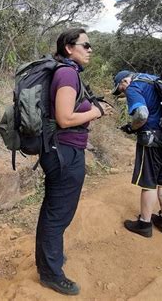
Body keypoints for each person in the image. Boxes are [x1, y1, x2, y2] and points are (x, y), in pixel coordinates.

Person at [36, 28, 109, 296]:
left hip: (60, 150)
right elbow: (65, 119)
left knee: (53, 211)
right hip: (64, 152)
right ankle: (51, 274)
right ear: (69, 48)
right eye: (85, 45)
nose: (90, 50)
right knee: (58, 215)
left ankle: (48, 261)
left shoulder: (67, 73)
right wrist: (97, 112)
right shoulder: (67, 73)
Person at [112, 70, 162, 238]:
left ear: (125, 81)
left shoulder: (134, 87)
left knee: (149, 183)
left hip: (151, 140)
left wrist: (132, 128)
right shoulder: (156, 81)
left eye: (120, 88)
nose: (123, 92)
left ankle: (145, 224)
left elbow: (142, 114)